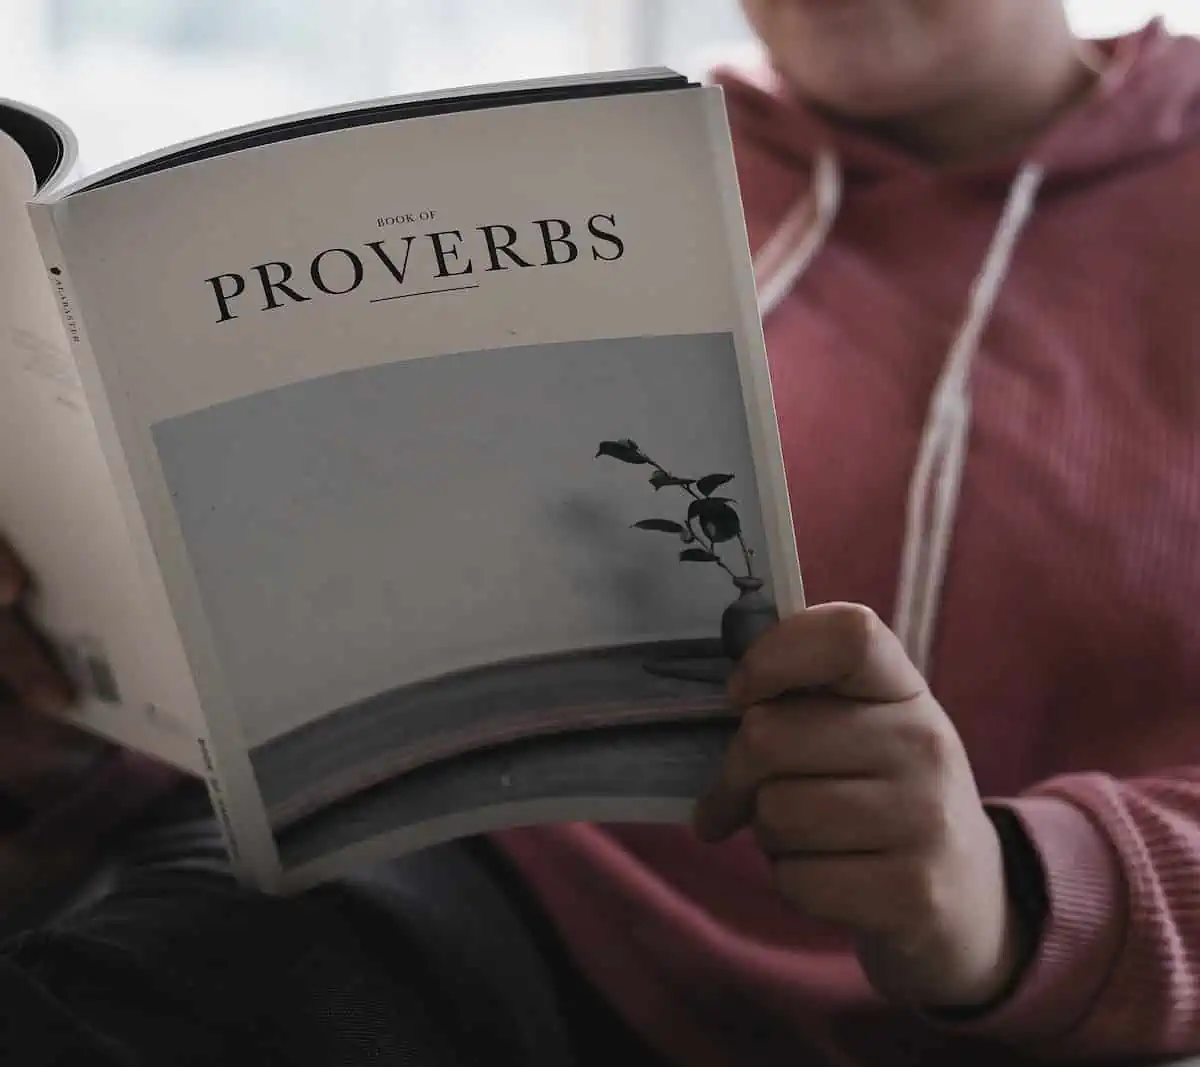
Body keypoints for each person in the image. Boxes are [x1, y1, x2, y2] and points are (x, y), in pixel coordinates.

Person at [3, 1, 1200, 1064]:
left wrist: (1018, 894)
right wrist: (79, 720)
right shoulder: (600, 175)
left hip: (996, 978)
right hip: (479, 888)